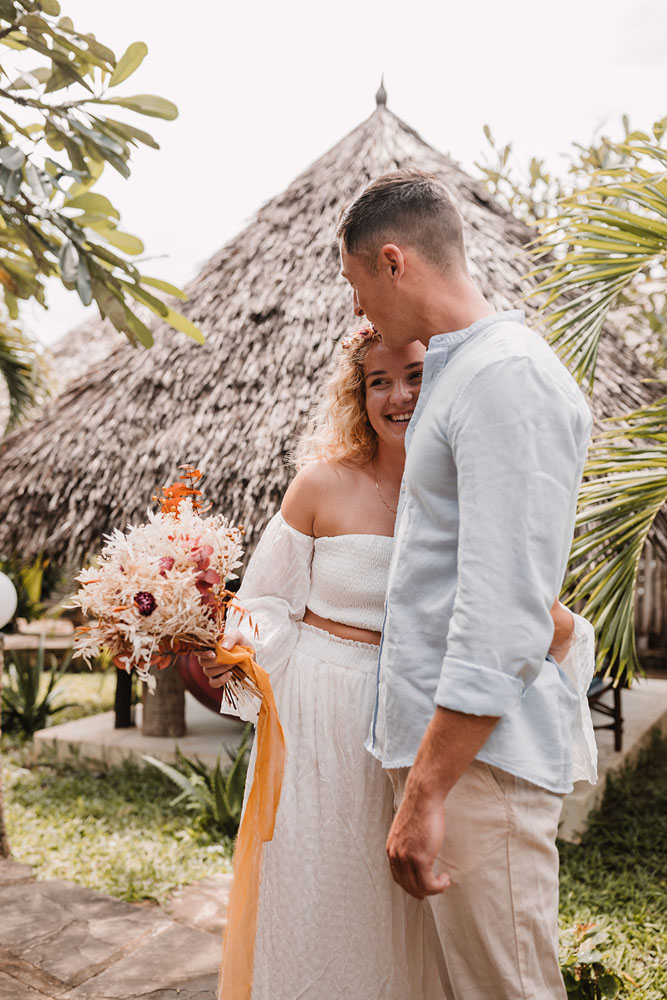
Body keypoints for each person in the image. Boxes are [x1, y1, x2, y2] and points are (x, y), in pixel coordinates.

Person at [201, 326, 596, 999]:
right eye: (378, 382)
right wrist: (225, 646)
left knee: (413, 906)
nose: (398, 396)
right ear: (357, 397)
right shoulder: (320, 485)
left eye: (413, 375)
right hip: (321, 716)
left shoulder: (466, 488)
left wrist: (554, 626)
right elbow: (267, 605)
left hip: (422, 718)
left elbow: (512, 605)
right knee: (328, 889)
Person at [337, 168, 596, 999]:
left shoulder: (504, 377)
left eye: (354, 286)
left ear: (391, 262)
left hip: (475, 770)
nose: (357, 312)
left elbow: (500, 615)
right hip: (452, 762)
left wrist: (427, 789)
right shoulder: (459, 376)